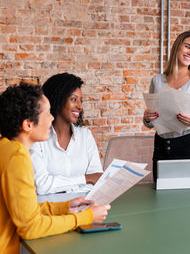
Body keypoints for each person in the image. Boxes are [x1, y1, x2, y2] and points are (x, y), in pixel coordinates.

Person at [0, 82, 110, 254]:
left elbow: (25, 209)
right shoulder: (17, 157)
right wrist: (85, 217)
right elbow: (31, 227)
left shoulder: (5, 147)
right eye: (47, 114)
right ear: (28, 124)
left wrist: (65, 207)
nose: (52, 118)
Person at [143, 31, 190, 181]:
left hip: (188, 145)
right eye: (187, 47)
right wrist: (147, 118)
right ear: (177, 47)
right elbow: (149, 123)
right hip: (161, 147)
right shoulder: (157, 80)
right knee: (161, 197)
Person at [30, 73, 103, 195]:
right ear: (58, 100)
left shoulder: (85, 136)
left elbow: (96, 181)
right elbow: (41, 185)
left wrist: (59, 186)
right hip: (48, 210)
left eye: (81, 101)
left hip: (82, 208)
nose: (79, 106)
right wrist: (84, 179)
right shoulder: (37, 138)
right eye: (74, 99)